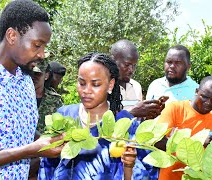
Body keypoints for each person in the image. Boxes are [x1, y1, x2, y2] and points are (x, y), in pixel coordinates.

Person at [0, 0, 65, 179]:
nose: (42, 54)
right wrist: (28, 151)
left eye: (45, 46)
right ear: (12, 36)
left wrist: (50, 140)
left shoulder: (26, 82)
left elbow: (24, 133)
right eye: (37, 45)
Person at [38, 52, 150, 180]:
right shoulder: (64, 117)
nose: (86, 90)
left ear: (111, 84)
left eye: (95, 84)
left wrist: (129, 167)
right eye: (82, 83)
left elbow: (145, 173)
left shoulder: (125, 125)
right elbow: (47, 168)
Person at [155, 75, 212, 180]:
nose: (208, 103)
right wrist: (197, 143)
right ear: (197, 91)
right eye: (205, 97)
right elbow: (158, 142)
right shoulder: (175, 109)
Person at [110, 39, 165, 120]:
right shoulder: (100, 87)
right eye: (127, 64)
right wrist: (131, 113)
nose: (131, 70)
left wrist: (148, 117)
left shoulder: (136, 86)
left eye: (134, 65)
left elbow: (136, 123)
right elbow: (98, 127)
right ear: (113, 61)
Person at [37, 61, 67, 133]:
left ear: (46, 76)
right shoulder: (19, 96)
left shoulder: (55, 100)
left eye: (38, 74)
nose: (34, 77)